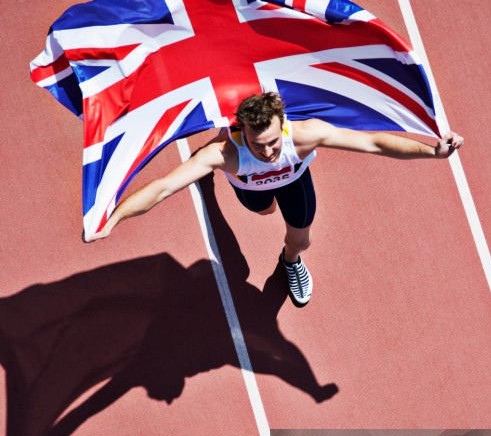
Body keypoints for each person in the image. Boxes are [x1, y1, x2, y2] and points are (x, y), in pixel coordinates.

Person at [86, 92, 463, 307]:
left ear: (282, 123)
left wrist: (432, 152)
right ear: (240, 132)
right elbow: (162, 188)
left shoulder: (304, 135)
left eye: (273, 141)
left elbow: (373, 142)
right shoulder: (225, 154)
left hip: (295, 182)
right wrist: (113, 218)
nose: (267, 151)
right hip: (252, 188)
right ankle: (211, 189)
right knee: (263, 211)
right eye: (257, 143)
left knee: (301, 238)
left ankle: (290, 262)